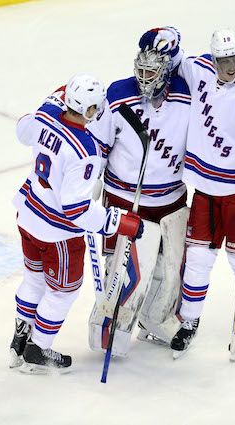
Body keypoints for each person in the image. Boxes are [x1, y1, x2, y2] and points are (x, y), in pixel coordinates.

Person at [139, 27, 235, 360]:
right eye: (224, 60)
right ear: (214, 58)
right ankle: (188, 321)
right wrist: (164, 36)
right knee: (197, 261)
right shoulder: (200, 69)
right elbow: (172, 57)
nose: (230, 66)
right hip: (204, 192)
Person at [8, 73, 144, 375]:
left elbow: (22, 131)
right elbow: (76, 209)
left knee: (34, 279)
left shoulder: (46, 114)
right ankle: (37, 350)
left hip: (28, 216)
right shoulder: (85, 151)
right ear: (89, 112)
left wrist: (50, 100)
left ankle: (20, 339)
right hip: (58, 234)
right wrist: (118, 222)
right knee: (62, 292)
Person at [85, 40, 192, 357]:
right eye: (141, 70)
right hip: (125, 198)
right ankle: (109, 327)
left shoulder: (187, 95)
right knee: (126, 271)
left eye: (152, 72)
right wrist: (91, 183)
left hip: (172, 199)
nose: (145, 78)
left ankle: (157, 319)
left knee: (170, 268)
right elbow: (98, 144)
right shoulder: (118, 94)